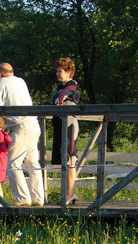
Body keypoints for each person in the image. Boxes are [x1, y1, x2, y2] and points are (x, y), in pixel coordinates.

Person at [0, 63, 45, 206]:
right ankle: (38, 199)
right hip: (34, 123)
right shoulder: (21, 81)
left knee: (13, 163)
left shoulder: (2, 82)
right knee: (32, 164)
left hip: (21, 127)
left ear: (0, 74)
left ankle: (22, 199)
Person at [50, 57, 81, 205]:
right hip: (62, 124)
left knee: (70, 161)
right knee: (65, 161)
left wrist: (59, 98)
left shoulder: (72, 85)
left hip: (69, 125)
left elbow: (60, 97)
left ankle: (69, 195)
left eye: (60, 71)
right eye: (56, 71)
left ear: (69, 72)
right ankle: (68, 194)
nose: (57, 73)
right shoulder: (61, 87)